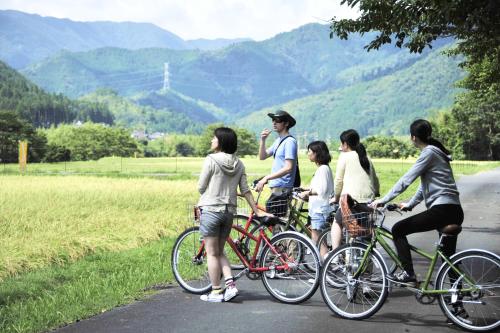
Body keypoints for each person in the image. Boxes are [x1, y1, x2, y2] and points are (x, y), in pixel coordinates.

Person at [370, 119, 464, 287]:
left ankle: (408, 274)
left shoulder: (428, 153)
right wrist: (410, 204)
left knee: (398, 229)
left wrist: (382, 200)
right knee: (447, 257)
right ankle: (458, 300)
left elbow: (406, 180)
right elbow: (423, 187)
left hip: (442, 210)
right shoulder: (436, 153)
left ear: (413, 137)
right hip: (454, 210)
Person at [197, 127, 269, 302]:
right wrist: (256, 209)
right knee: (220, 251)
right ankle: (230, 286)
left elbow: (200, 187)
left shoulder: (211, 160)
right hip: (229, 212)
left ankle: (215, 292)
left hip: (212, 210)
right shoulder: (239, 163)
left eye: (213, 138)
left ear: (220, 141)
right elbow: (245, 190)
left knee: (212, 253)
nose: (211, 141)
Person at [330, 129, 380, 255]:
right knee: (366, 231)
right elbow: (375, 179)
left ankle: (335, 255)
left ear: (345, 144)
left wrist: (336, 197)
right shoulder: (365, 157)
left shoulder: (345, 156)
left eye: (342, 144)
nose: (341, 146)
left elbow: (338, 181)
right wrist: (376, 192)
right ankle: (368, 265)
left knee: (337, 222)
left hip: (351, 200)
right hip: (368, 201)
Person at [298, 141, 334, 260]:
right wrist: (306, 189)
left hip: (319, 209)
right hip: (321, 208)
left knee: (319, 242)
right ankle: (326, 267)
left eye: (310, 151)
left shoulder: (323, 169)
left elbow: (322, 190)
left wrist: (306, 193)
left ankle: (324, 270)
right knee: (320, 241)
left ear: (317, 153)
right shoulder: (324, 168)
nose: (308, 154)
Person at [255, 110, 299, 200]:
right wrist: (263, 140)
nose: (274, 123)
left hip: (283, 187)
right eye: (273, 120)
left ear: (286, 123)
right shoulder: (278, 141)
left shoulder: (290, 142)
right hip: (277, 186)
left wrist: (266, 178)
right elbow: (262, 156)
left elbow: (288, 168)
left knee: (274, 213)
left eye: (278, 120)